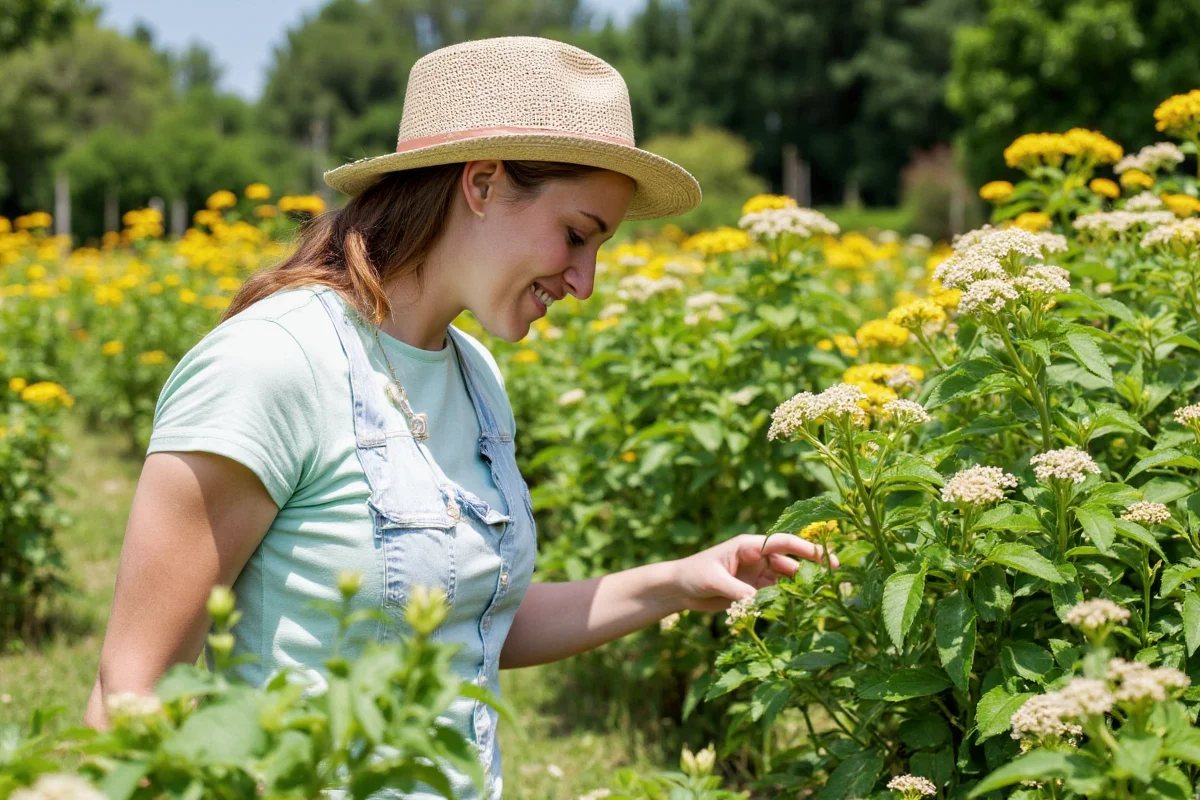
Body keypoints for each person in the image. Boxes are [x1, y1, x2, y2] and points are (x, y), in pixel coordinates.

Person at [83, 35, 837, 798]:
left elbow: (470, 622)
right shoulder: (273, 364)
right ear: (481, 183)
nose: (586, 281)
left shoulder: (474, 377)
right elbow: (134, 691)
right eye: (577, 235)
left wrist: (679, 580)